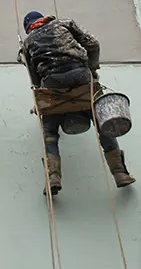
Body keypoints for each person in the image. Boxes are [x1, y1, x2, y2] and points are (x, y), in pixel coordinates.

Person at [21, 11, 135, 195]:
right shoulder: (64, 23)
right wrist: (92, 68)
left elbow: (33, 76)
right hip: (79, 74)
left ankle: (53, 177)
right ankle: (120, 173)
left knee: (49, 132)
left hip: (52, 82)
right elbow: (93, 44)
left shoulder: (27, 42)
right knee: (102, 122)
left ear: (29, 27)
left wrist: (42, 98)